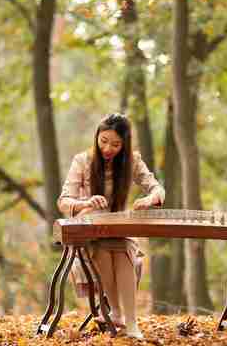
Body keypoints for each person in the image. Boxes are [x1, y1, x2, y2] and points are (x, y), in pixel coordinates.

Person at [57, 113, 165, 339]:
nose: (108, 148)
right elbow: (64, 200)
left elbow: (157, 188)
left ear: (124, 144)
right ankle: (116, 312)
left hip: (119, 230)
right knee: (105, 250)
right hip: (89, 230)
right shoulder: (83, 161)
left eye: (116, 144)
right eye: (103, 141)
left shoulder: (132, 161)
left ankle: (132, 323)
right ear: (96, 137)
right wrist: (85, 202)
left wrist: (149, 199)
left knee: (124, 251)